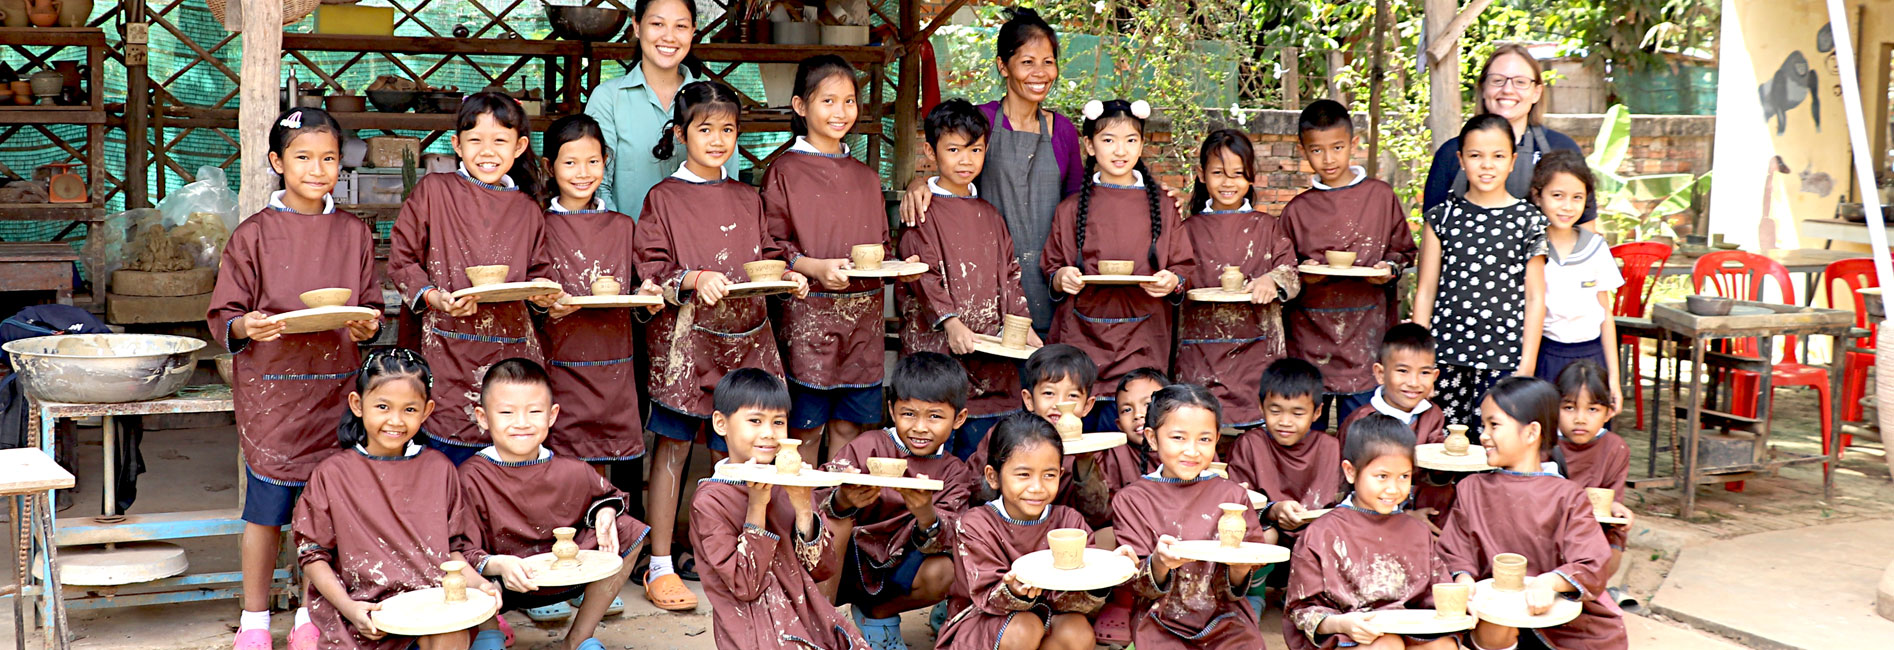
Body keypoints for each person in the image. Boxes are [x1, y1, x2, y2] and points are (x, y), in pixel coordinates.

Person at [209, 107, 382, 650]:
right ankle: (255, 619)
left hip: (336, 389)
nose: (317, 168)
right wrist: (248, 325)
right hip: (274, 394)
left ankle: (313, 615)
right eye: (303, 157)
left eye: (328, 158)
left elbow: (371, 305)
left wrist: (367, 323)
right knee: (267, 511)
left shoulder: (354, 232)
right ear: (276, 162)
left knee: (323, 512)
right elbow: (226, 314)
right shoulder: (254, 234)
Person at [635, 80, 811, 612]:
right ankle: (661, 564)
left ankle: (727, 555)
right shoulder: (664, 198)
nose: (717, 140)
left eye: (728, 129)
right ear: (680, 134)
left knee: (736, 449)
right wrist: (693, 278)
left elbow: (770, 254)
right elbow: (651, 267)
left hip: (748, 339)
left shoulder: (748, 197)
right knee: (673, 447)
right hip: (685, 346)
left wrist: (788, 275)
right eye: (705, 129)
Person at [388, 92, 563, 465]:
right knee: (448, 464)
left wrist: (544, 295)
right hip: (448, 348)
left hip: (511, 350)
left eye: (500, 140)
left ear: (519, 147)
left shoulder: (527, 208)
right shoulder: (435, 192)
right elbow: (402, 259)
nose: (487, 151)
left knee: (507, 460)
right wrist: (433, 297)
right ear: (456, 145)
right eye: (475, 140)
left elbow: (539, 272)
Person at [292, 349, 499, 650]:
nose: (395, 420)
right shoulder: (332, 474)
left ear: (427, 411)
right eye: (383, 406)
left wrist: (480, 585)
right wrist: (350, 608)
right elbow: (313, 555)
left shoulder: (439, 469)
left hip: (432, 606)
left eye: (409, 409)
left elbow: (453, 552)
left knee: (451, 632)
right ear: (357, 404)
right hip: (364, 614)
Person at [900, 8, 1084, 335]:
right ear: (1003, 66)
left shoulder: (1064, 131)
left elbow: (1079, 207)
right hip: (983, 284)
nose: (1040, 72)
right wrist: (918, 183)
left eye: (1048, 61)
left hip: (1050, 282)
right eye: (1027, 62)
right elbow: (950, 167)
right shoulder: (981, 121)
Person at [766, 55, 907, 459]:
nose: (840, 111)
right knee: (804, 432)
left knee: (849, 428)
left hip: (863, 326)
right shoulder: (784, 171)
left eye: (849, 101)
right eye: (828, 101)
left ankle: (834, 503)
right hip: (807, 322)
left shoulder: (866, 177)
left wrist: (897, 266)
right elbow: (771, 246)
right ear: (800, 105)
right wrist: (814, 268)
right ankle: (802, 504)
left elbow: (882, 246)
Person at [457, 359, 649, 647]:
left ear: (552, 415)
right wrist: (497, 565)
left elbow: (610, 495)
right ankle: (489, 632)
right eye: (507, 412)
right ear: (483, 418)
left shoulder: (570, 470)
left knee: (628, 530)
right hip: (501, 581)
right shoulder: (471, 476)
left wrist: (606, 512)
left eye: (534, 411)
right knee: (455, 563)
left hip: (564, 575)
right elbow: (459, 548)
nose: (522, 423)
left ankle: (579, 638)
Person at [1440, 378, 1629, 650]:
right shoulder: (1471, 488)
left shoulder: (1569, 496)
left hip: (1560, 621)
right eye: (1484, 425)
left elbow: (1591, 562)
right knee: (1494, 623)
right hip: (1494, 615)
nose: (1483, 435)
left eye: (1494, 425)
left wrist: (1550, 582)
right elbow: (1455, 551)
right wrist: (1464, 579)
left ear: (1531, 433)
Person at [898, 97, 1039, 461]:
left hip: (992, 358)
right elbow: (921, 273)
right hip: (939, 353)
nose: (965, 160)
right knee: (937, 451)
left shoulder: (990, 214)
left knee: (988, 455)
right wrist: (950, 322)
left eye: (975, 150)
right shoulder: (922, 210)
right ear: (930, 151)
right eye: (954, 149)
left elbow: (1010, 274)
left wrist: (1023, 327)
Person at [1043, 98, 1195, 432]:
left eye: (1130, 140)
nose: (1120, 150)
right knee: (1079, 437)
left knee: (1137, 435)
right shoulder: (1070, 209)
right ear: (1089, 145)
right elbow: (1052, 267)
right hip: (1082, 338)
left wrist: (1172, 281)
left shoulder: (1162, 206)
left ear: (1141, 144)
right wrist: (1062, 277)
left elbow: (1184, 268)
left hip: (1144, 338)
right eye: (1108, 140)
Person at [690, 369, 867, 650]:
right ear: (721, 423)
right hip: (755, 633)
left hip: (808, 620)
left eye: (778, 422)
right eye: (755, 421)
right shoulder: (710, 500)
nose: (769, 434)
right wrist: (756, 505)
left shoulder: (788, 483)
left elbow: (823, 569)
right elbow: (745, 585)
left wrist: (803, 505)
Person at [936, 412, 1132, 650]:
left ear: (1060, 474)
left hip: (1048, 619)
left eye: (1049, 475)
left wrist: (1104, 573)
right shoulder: (975, 525)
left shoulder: (1069, 523)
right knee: (1026, 627)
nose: (1037, 487)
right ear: (993, 476)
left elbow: (1074, 601)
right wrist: (1013, 591)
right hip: (984, 623)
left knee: (1077, 631)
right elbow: (986, 597)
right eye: (1023, 475)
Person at [819, 352, 976, 649]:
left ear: (959, 419)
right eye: (909, 414)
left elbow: (953, 534)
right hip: (849, 562)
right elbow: (818, 496)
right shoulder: (868, 446)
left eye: (935, 416)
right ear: (892, 410)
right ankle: (822, 625)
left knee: (951, 570)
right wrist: (842, 500)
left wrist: (926, 514)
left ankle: (878, 614)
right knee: (835, 521)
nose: (920, 427)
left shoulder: (954, 472)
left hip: (902, 566)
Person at [535, 114, 665, 471]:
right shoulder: (539, 226)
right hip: (559, 364)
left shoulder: (622, 226)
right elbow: (528, 294)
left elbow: (637, 288)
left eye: (593, 161)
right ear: (548, 166)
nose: (583, 173)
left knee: (615, 467)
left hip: (616, 370)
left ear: (605, 162)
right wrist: (544, 307)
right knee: (563, 466)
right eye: (570, 163)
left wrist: (647, 297)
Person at [1279, 100, 1417, 431]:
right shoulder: (1297, 210)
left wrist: (1388, 268)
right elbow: (1281, 268)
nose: (1328, 159)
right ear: (1302, 150)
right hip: (1309, 339)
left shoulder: (1380, 197)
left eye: (1337, 147)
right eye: (1317, 150)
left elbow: (1404, 252)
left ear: (1353, 144)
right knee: (1303, 434)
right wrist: (1303, 274)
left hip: (1365, 339)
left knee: (1360, 434)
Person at [1111, 384, 1275, 648]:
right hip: (1160, 621)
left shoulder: (1233, 497)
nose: (1192, 450)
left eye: (1204, 439)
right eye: (1178, 437)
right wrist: (1159, 563)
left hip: (1226, 621)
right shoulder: (1132, 500)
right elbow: (1137, 585)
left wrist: (1240, 567)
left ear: (1217, 439)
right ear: (1152, 438)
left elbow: (1237, 585)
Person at [1413, 114, 1550, 426]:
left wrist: (1526, 365)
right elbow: (1425, 292)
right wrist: (1421, 365)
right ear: (1461, 160)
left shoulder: (1529, 221)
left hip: (1504, 358)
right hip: (1445, 356)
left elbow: (1535, 298)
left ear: (1513, 161)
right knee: (1443, 442)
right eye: (1476, 156)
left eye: (1498, 156)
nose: (1487, 165)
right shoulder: (1441, 218)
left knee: (1495, 442)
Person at [1283, 414, 1458, 650]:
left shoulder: (1417, 531)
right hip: (1348, 637)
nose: (1393, 489)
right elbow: (1301, 610)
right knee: (1386, 645)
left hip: (1408, 634)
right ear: (1350, 471)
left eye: (1404, 476)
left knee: (1443, 646)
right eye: (1382, 476)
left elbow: (1436, 593)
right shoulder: (1321, 533)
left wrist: (1459, 602)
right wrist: (1342, 624)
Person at [1176, 129, 1299, 430]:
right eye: (1218, 173)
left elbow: (1292, 273)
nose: (1228, 182)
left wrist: (1272, 279)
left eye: (1238, 173)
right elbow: (1174, 276)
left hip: (1256, 351)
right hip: (1201, 352)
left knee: (1256, 438)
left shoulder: (1267, 227)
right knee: (1200, 430)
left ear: (1251, 176)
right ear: (1201, 175)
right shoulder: (1186, 230)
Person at [587, 0, 736, 216]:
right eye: (657, 24)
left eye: (680, 26)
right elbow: (597, 186)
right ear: (637, 26)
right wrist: (622, 233)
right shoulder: (608, 99)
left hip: (701, 236)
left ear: (693, 31)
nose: (669, 36)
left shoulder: (713, 102)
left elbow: (728, 186)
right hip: (627, 236)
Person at [1423, 44, 1597, 227]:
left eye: (1520, 82)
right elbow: (1432, 229)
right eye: (1497, 80)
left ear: (1536, 92)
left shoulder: (1561, 148)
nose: (1507, 90)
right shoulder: (1450, 153)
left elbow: (1585, 229)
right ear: (1483, 88)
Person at [966, 344, 1110, 527]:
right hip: (1001, 530)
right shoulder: (1004, 435)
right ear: (1029, 400)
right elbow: (975, 494)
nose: (1060, 404)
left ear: (1087, 406)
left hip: (1061, 532)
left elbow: (1096, 516)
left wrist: (1085, 461)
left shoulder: (1092, 448)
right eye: (1049, 393)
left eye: (1072, 396)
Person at [1336, 324, 1454, 527]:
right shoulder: (1362, 420)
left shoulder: (1432, 414)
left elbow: (1433, 474)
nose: (1414, 382)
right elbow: (1348, 482)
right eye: (1402, 371)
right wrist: (1404, 515)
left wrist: (1446, 462)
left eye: (1424, 373)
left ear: (1435, 376)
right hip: (1374, 507)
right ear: (1380, 373)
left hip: (1420, 502)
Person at [1530, 150, 1624, 401]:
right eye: (1557, 196)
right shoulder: (1531, 248)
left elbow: (1605, 315)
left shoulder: (1596, 247)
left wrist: (1614, 380)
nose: (1567, 206)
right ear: (1538, 196)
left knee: (1589, 421)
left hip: (1592, 358)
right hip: (1545, 355)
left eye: (1577, 197)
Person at [1230, 358, 1346, 534]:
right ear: (1261, 407)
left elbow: (1343, 505)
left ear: (1317, 412)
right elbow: (1237, 502)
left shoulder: (1330, 448)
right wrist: (1272, 511)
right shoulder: (1250, 445)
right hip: (1267, 532)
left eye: (1297, 413)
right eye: (1275, 411)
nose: (1285, 422)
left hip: (1318, 534)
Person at [1554, 361, 1634, 579]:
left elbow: (1613, 499)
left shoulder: (1615, 448)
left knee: (1608, 556)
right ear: (1554, 409)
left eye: (1592, 409)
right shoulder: (1544, 444)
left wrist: (1617, 508)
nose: (1580, 419)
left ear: (1608, 413)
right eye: (1569, 408)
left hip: (1594, 532)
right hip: (1549, 531)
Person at [1092, 367, 1168, 490]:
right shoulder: (1113, 457)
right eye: (1127, 410)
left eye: (1148, 404)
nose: (1138, 414)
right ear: (1119, 425)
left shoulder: (1189, 447)